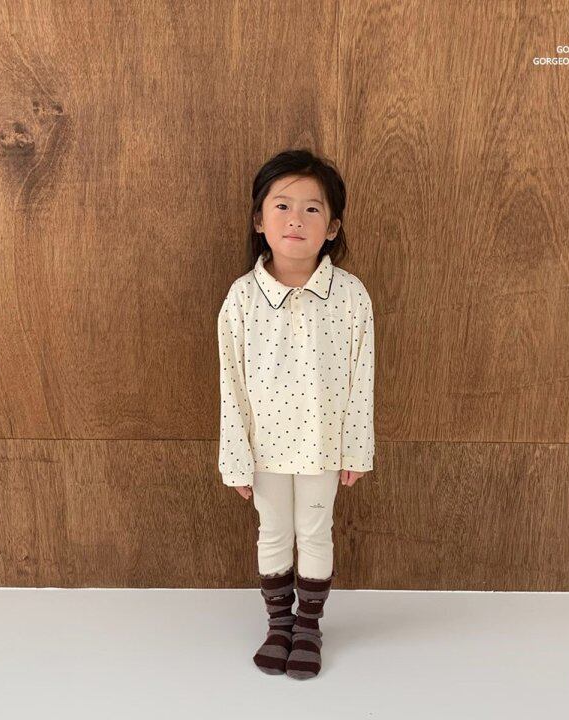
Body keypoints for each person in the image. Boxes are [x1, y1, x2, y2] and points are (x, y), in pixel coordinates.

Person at [216, 148, 375, 679]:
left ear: (332, 227)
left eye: (312, 209)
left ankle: (308, 627)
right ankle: (278, 625)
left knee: (315, 533)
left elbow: (361, 378)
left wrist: (356, 450)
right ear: (259, 221)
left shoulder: (349, 296)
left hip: (323, 449)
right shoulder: (242, 298)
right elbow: (231, 386)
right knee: (273, 534)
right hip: (264, 451)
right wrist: (235, 459)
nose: (295, 219)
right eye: (282, 206)